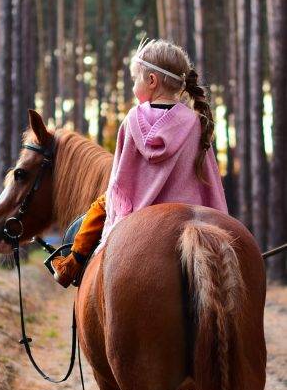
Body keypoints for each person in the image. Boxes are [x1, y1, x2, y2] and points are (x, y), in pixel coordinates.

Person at [51, 38, 229, 287]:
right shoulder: (197, 123)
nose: (133, 85)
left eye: (135, 79)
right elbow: (209, 184)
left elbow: (119, 185)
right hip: (190, 217)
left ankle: (70, 265)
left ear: (152, 80)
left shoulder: (132, 120)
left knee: (101, 206)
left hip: (137, 212)